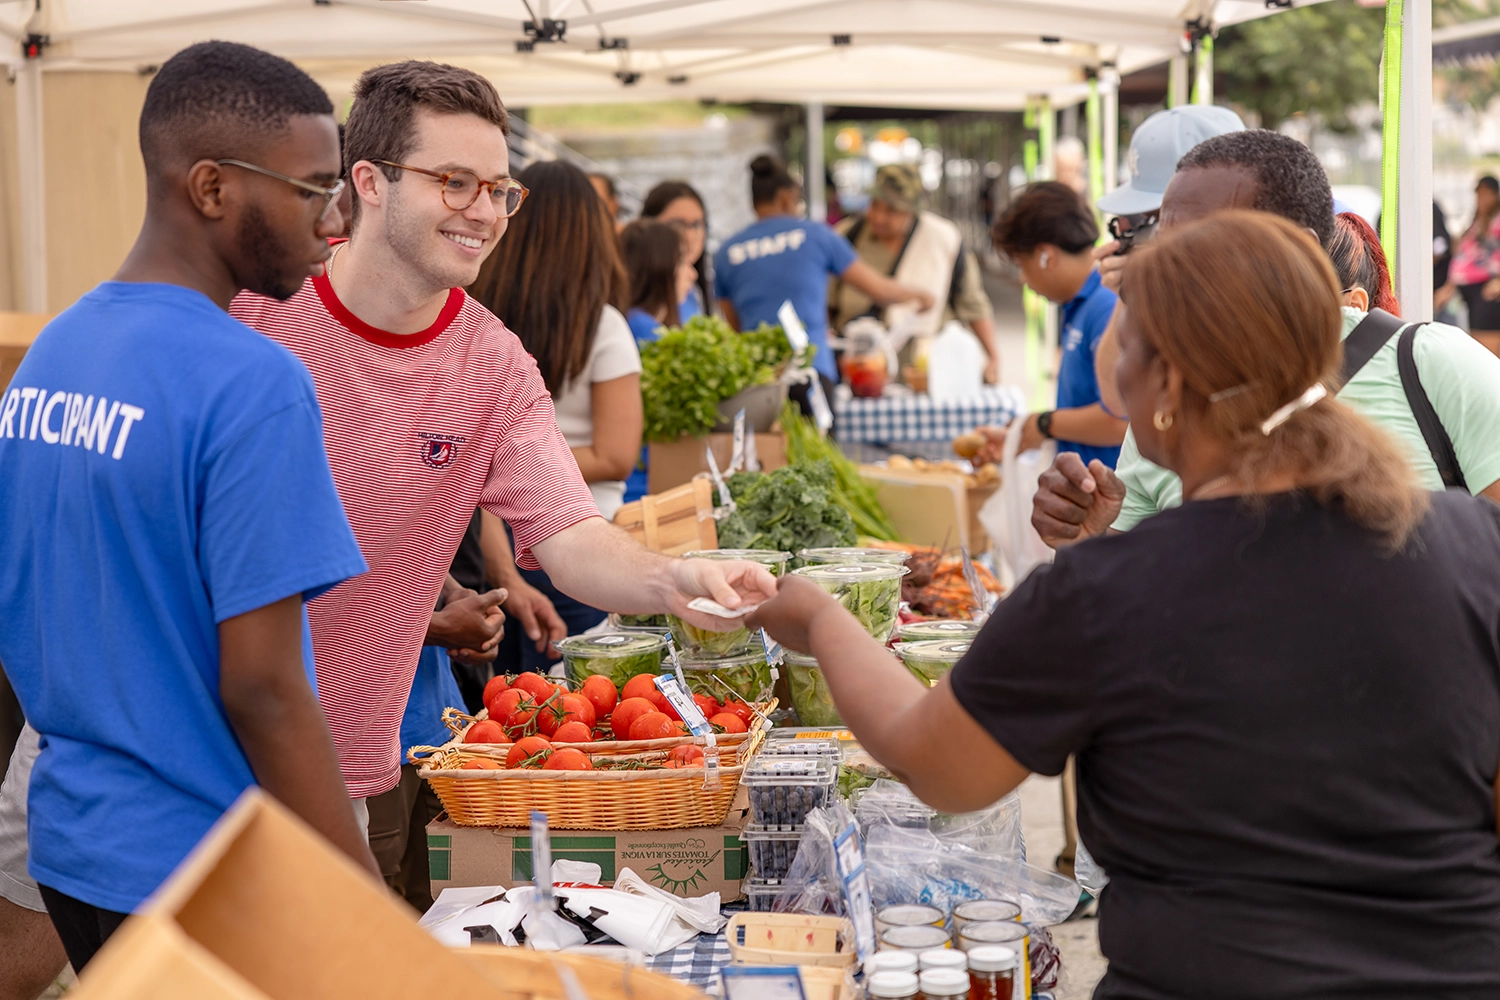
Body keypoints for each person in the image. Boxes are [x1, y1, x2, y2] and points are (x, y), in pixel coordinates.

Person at [751, 211, 1500, 999]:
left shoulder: (1104, 592)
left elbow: (935, 764)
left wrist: (821, 619)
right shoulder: (1474, 545)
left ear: (1167, 385)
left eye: (1126, 349)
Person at [227, 60, 777, 808]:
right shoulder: (254, 309)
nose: (484, 212)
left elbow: (571, 535)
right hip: (183, 750)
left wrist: (674, 581)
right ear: (370, 181)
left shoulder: (494, 363)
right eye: (455, 182)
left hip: (339, 773)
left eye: (498, 190)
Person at [0, 41, 378, 979]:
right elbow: (263, 687)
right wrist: (369, 904)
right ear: (212, 187)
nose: (336, 221)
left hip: (73, 849)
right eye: (313, 189)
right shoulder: (253, 381)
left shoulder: (53, 354)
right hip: (205, 864)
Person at [1031, 129, 1500, 549]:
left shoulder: (1436, 366)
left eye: (1203, 249)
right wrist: (1086, 544)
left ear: (1297, 254)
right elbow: (1129, 593)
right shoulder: (1166, 402)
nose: (1170, 274)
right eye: (1163, 248)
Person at [471, 159, 643, 669]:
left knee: (507, 699)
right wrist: (527, 468)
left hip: (491, 542)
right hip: (577, 542)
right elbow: (616, 456)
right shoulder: (602, 326)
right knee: (574, 696)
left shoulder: (474, 318)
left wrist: (495, 465)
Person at [714, 155, 933, 387]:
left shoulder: (727, 252)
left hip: (758, 378)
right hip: (811, 372)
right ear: (786, 197)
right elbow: (881, 290)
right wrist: (921, 296)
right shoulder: (815, 235)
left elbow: (734, 325)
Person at [986, 182, 1126, 467]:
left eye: (1021, 265)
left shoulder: (1105, 306)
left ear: (1045, 256)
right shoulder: (1079, 303)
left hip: (1109, 484)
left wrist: (1045, 423)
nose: (1023, 279)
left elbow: (1120, 420)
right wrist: (1025, 433)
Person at [830, 164, 1002, 383]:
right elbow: (825, 301)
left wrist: (992, 356)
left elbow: (973, 304)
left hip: (927, 370)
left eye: (892, 210)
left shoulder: (943, 238)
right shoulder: (846, 237)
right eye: (874, 205)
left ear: (912, 211)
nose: (879, 217)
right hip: (859, 369)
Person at [619, 218, 697, 504]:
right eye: (683, 263)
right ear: (661, 269)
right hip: (641, 489)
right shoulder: (645, 330)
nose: (692, 274)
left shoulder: (631, 322)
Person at [1436, 175, 1500, 358]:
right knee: (1480, 353)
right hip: (1472, 294)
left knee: (1488, 358)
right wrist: (1449, 287)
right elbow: (1464, 258)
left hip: (1488, 294)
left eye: (1486, 194)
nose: (1482, 199)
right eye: (1479, 194)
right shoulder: (1478, 221)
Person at [641, 180, 711, 322]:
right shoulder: (641, 307)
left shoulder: (695, 292)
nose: (689, 236)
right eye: (677, 224)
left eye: (697, 224)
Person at [620, 218, 696, 345]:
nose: (693, 275)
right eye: (682, 262)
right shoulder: (641, 326)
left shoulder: (634, 320)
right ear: (659, 266)